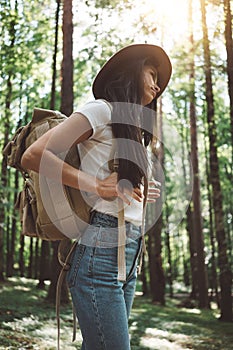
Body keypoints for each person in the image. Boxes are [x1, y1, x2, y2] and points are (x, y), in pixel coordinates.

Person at [21, 43, 172, 350]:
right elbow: (34, 155)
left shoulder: (131, 131)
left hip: (129, 257)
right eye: (152, 73)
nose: (157, 85)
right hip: (100, 255)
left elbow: (115, 187)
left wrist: (140, 193)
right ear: (132, 69)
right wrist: (96, 184)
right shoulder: (101, 109)